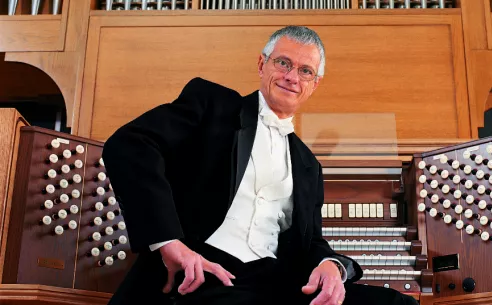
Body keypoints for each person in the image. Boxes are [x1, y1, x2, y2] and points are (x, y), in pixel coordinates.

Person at [102, 25, 418, 305]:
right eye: (283, 63)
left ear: (314, 84)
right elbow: (130, 144)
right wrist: (169, 242)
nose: (292, 77)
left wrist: (332, 266)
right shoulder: (213, 104)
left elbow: (312, 242)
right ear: (261, 64)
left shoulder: (309, 164)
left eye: (305, 71)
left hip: (275, 282)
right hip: (205, 271)